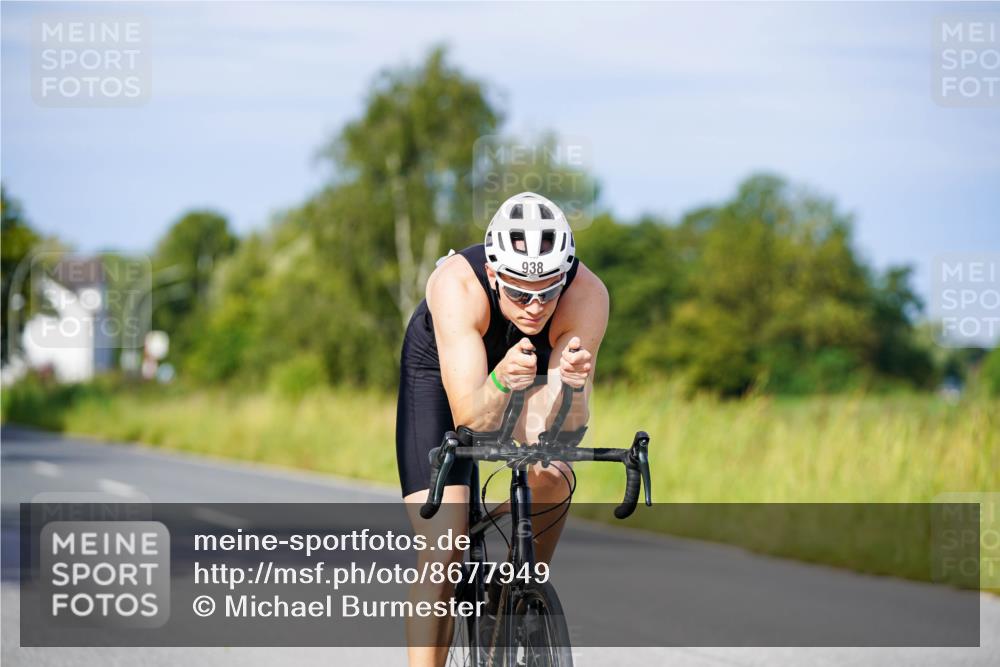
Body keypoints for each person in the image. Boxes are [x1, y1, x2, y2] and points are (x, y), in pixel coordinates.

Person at [395, 192, 609, 667]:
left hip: (524, 371)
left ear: (565, 277)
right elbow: (472, 419)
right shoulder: (456, 286)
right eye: (518, 292)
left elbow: (569, 427)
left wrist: (570, 389)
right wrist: (499, 382)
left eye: (548, 291)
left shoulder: (586, 294)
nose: (534, 307)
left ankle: (514, 588)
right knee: (444, 546)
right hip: (446, 375)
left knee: (552, 469)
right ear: (494, 274)